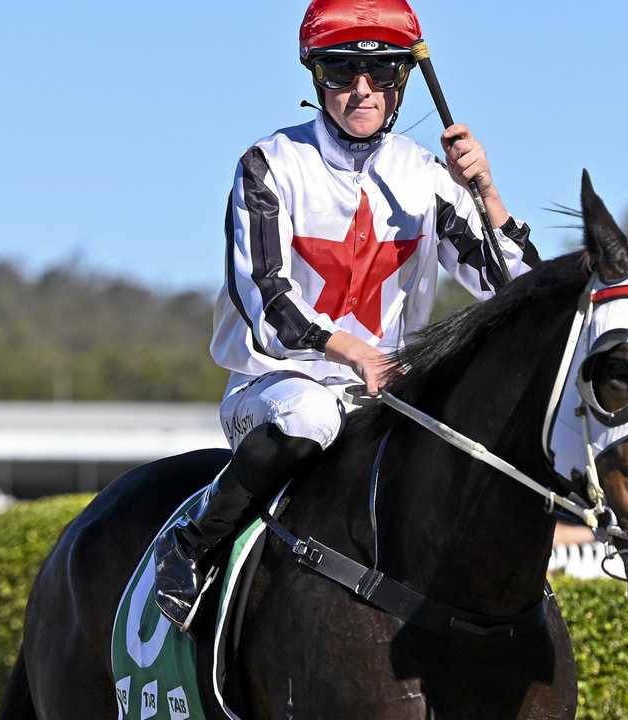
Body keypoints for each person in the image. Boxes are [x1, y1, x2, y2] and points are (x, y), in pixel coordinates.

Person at [153, 0, 540, 631]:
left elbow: (517, 292)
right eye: (340, 73)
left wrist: (489, 195)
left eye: (382, 73)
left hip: (390, 396)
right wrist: (357, 353)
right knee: (314, 414)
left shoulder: (428, 179)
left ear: (402, 81)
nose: (361, 91)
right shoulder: (268, 164)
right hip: (276, 387)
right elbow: (268, 305)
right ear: (316, 77)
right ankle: (194, 544)